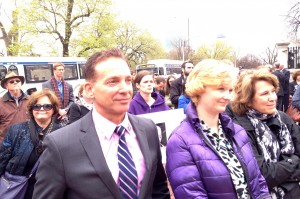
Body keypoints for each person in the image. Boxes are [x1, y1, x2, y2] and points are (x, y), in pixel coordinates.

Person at [33, 48, 170, 199]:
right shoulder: (60, 145)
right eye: (113, 81)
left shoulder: (148, 129)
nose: (125, 89)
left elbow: (158, 187)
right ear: (90, 90)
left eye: (128, 80)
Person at [166, 59, 270, 199]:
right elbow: (192, 195)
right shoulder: (180, 141)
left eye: (230, 90)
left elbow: (258, 181)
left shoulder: (237, 131)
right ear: (199, 89)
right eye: (221, 89)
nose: (228, 96)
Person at [226, 69, 300, 198]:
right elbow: (262, 174)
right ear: (248, 100)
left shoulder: (283, 119)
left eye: (273, 91)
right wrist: (293, 161)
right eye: (265, 93)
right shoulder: (239, 128)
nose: (273, 98)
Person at [0, 89, 60, 198]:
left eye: (47, 106)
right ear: (31, 109)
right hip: (17, 187)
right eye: (37, 106)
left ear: (54, 109)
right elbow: (2, 159)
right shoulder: (16, 130)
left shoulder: (62, 133)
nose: (42, 109)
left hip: (49, 190)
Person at [0, 71, 29, 143]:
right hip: (7, 144)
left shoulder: (31, 99)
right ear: (6, 86)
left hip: (28, 142)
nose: (15, 82)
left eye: (17, 81)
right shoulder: (0, 102)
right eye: (12, 81)